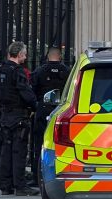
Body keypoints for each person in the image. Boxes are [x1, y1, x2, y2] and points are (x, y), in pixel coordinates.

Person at [0, 41, 39, 196]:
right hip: (18, 115)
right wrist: (35, 105)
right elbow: (25, 92)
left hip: (4, 115)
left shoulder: (0, 69)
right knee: (18, 152)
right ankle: (20, 185)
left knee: (5, 150)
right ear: (19, 54)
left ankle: (5, 185)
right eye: (24, 54)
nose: (25, 58)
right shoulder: (18, 71)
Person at [30, 47, 69, 186]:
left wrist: (35, 107)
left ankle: (37, 177)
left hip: (43, 111)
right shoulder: (67, 72)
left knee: (40, 144)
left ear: (47, 56)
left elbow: (31, 91)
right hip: (62, 113)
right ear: (60, 57)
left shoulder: (39, 71)